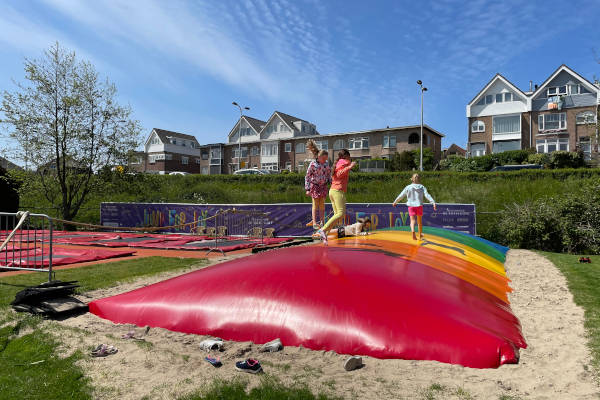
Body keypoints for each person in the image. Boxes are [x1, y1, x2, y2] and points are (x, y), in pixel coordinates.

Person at [315, 149, 356, 242]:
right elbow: (339, 174)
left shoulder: (338, 163)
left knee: (338, 215)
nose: (350, 159)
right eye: (349, 157)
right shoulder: (343, 162)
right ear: (346, 156)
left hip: (333, 191)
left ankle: (324, 234)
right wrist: (350, 166)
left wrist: (349, 166)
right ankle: (322, 230)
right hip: (338, 191)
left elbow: (337, 174)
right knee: (340, 213)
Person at [392, 173, 437, 241]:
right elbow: (427, 195)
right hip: (419, 206)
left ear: (412, 179)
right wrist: (433, 202)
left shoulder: (408, 187)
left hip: (411, 206)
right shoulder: (422, 187)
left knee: (412, 221)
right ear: (419, 179)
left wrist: (395, 202)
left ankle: (413, 231)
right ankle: (420, 234)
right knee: (419, 222)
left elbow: (401, 195)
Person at [304, 140, 332, 229]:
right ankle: (315, 222)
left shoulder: (326, 164)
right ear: (319, 157)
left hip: (323, 186)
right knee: (315, 204)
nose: (324, 161)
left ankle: (322, 221)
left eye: (326, 159)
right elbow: (307, 176)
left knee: (322, 204)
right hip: (315, 186)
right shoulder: (313, 164)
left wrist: (332, 184)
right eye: (323, 159)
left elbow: (329, 175)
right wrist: (307, 189)